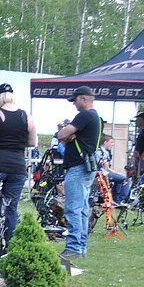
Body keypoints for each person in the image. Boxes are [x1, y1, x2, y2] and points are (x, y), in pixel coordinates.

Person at [0, 82, 37, 255]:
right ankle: (9, 249)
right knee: (10, 208)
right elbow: (32, 142)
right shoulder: (26, 116)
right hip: (18, 166)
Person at [56, 86, 102, 260]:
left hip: (78, 167)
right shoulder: (95, 116)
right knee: (82, 209)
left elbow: (62, 134)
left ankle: (73, 247)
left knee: (73, 209)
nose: (74, 104)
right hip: (86, 167)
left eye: (75, 100)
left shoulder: (85, 115)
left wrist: (67, 133)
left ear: (84, 98)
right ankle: (81, 246)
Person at [96, 137, 130, 204]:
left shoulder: (106, 152)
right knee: (124, 179)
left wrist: (118, 173)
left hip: (104, 173)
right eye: (111, 142)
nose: (113, 144)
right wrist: (117, 173)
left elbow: (107, 168)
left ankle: (116, 199)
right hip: (100, 174)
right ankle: (119, 200)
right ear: (105, 142)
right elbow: (105, 167)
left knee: (121, 179)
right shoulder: (99, 152)